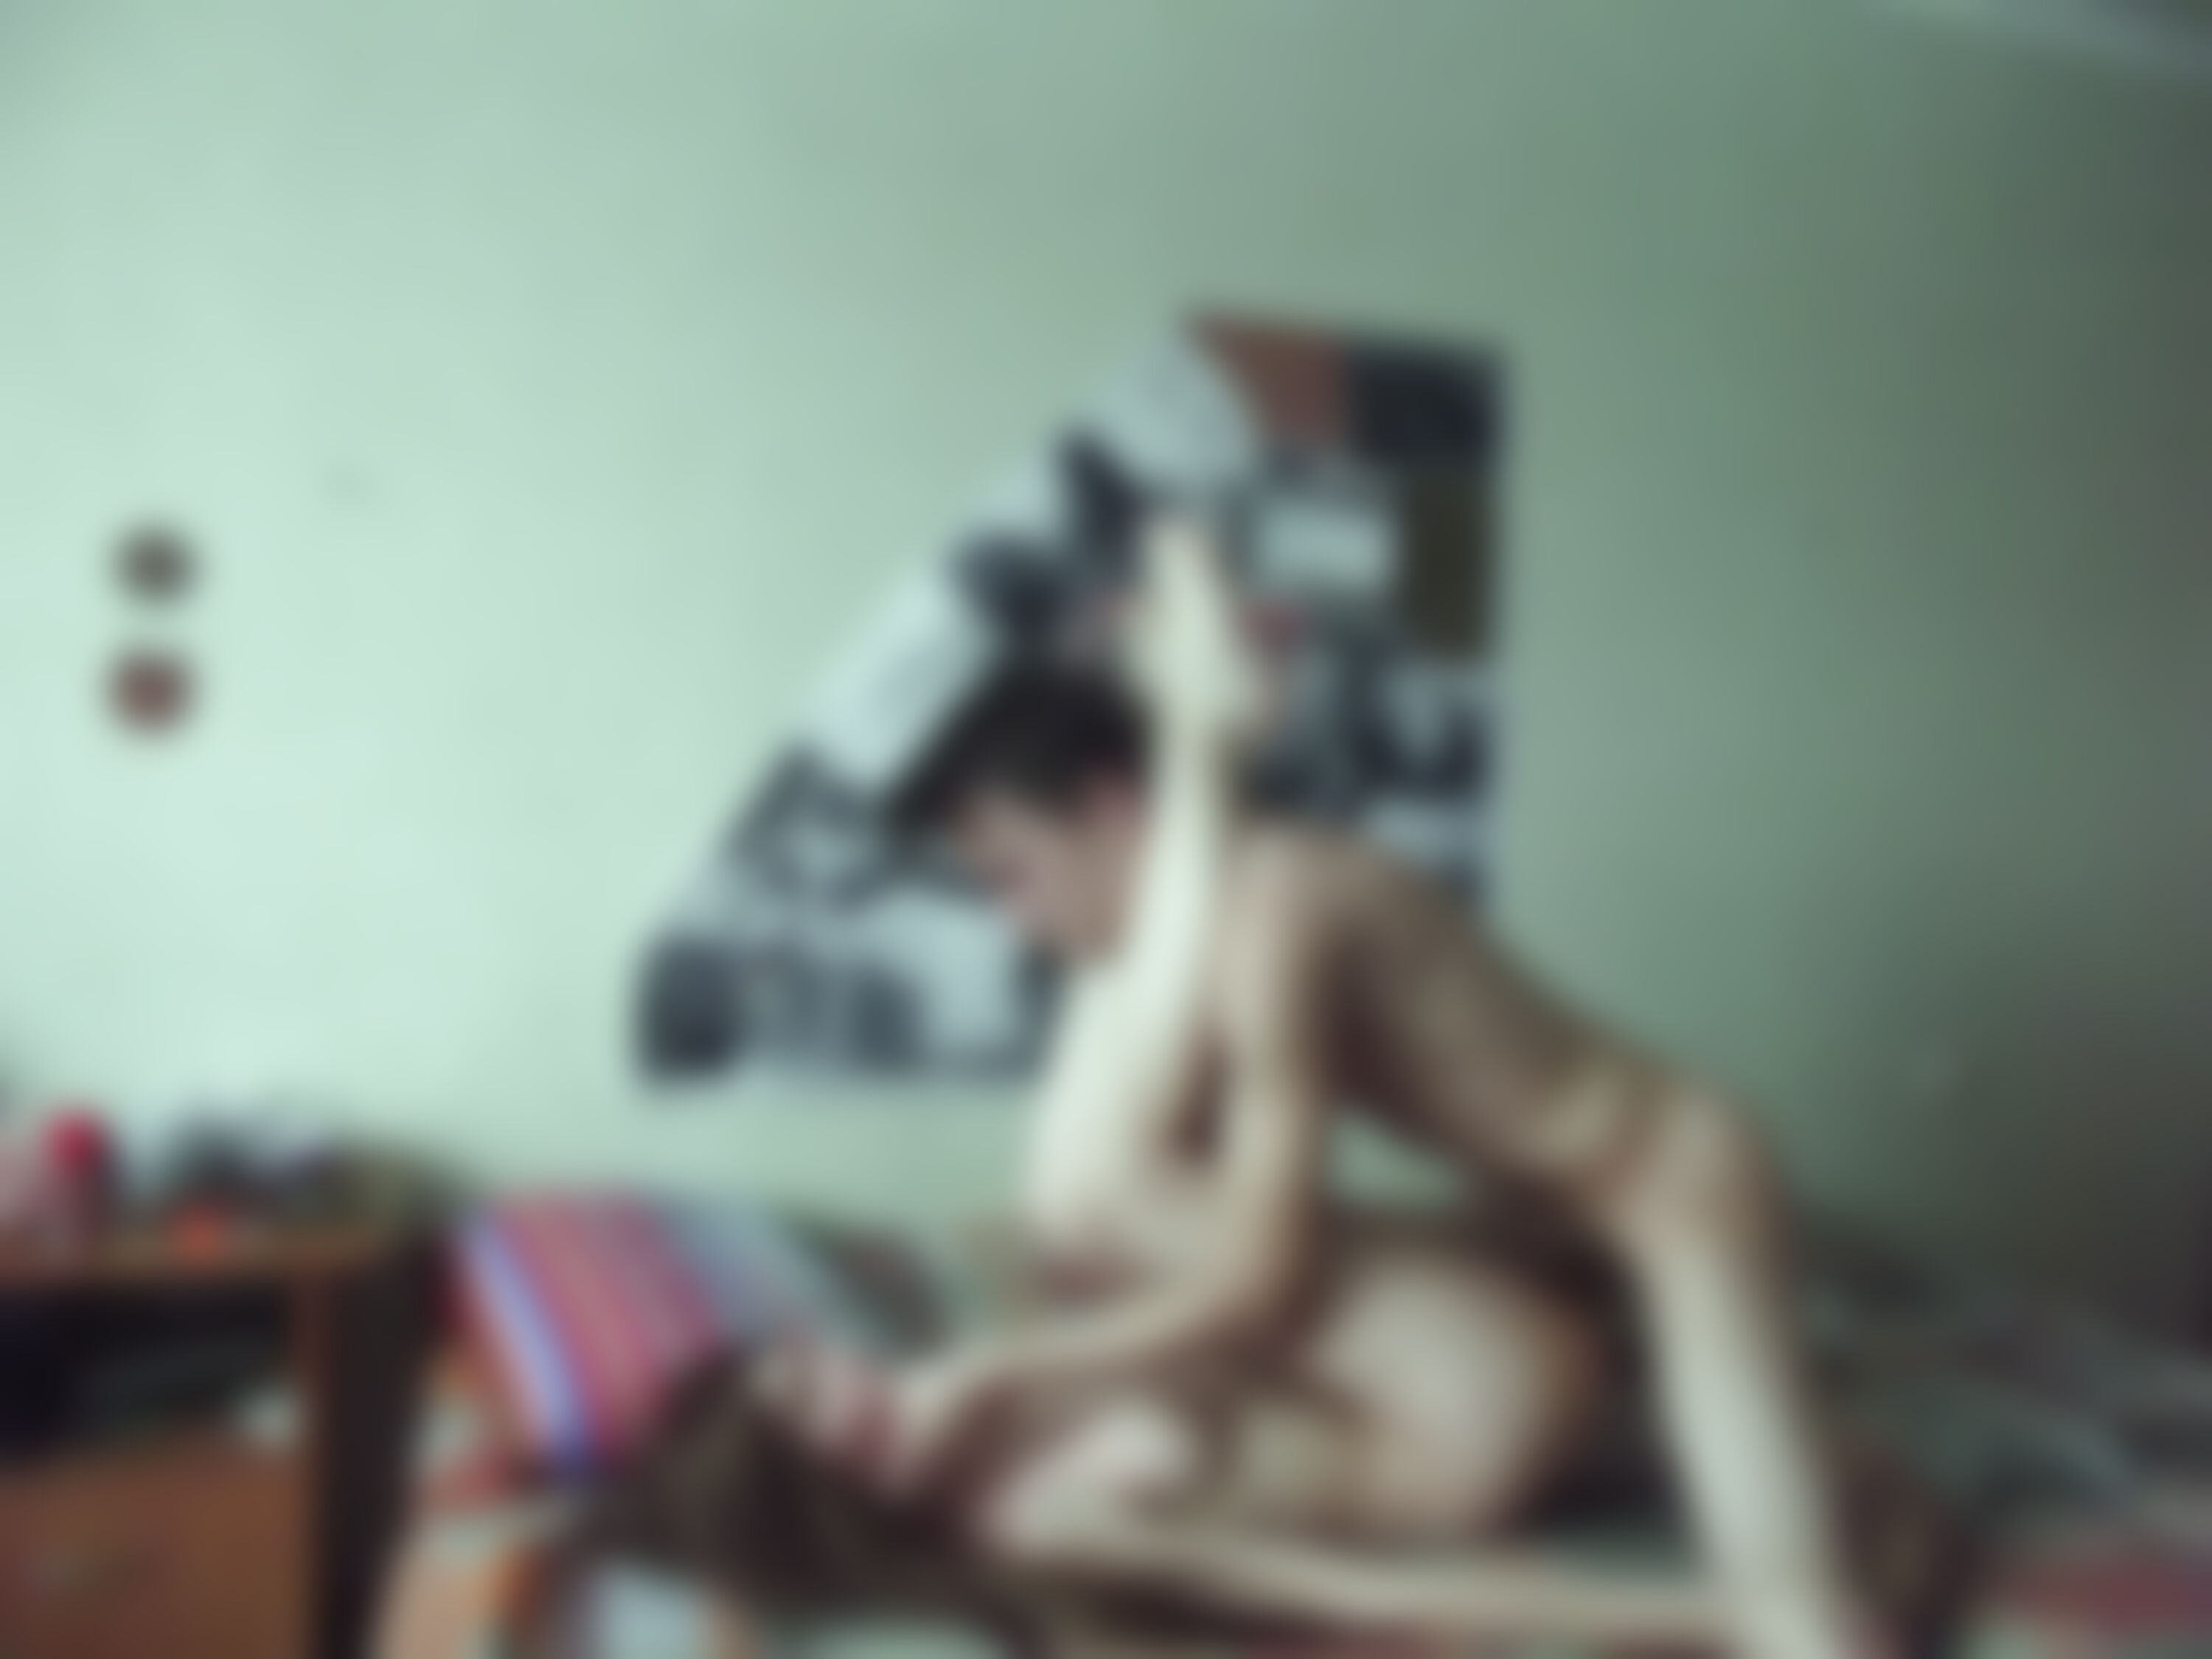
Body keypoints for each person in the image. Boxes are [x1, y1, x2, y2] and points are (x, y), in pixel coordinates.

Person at [779, 524, 1890, 1658]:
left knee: (1792, 1607)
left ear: (1112, 806)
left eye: (1013, 874)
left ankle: (1823, 1558)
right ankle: (1811, 1470)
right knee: (1094, 1182)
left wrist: (996, 1371)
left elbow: (1254, 1268)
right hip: (1554, 1207)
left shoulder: (1275, 918)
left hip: (1677, 1180)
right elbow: (1129, 1114)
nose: (1014, 924)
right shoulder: (1209, 931)